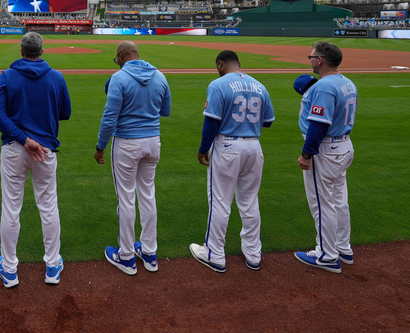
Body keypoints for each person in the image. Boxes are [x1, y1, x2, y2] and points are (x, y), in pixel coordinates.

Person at [0, 32, 72, 287]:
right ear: (42, 50)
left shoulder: (6, 76)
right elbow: (65, 113)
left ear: (21, 50)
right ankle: (52, 266)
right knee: (48, 206)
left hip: (15, 147)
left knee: (11, 207)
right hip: (45, 150)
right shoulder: (56, 77)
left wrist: (24, 139)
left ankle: (9, 269)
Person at [189, 50, 275, 273]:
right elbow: (267, 122)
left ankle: (215, 253)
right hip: (254, 147)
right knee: (249, 201)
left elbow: (211, 122)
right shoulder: (259, 85)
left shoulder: (218, 85)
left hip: (227, 146)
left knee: (220, 202)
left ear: (220, 64)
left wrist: (203, 149)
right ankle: (253, 253)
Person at [95, 41, 171, 275]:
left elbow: (110, 117)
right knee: (147, 194)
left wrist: (100, 146)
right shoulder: (159, 75)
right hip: (153, 140)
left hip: (127, 142)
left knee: (126, 198)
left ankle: (126, 255)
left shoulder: (119, 78)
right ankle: (149, 251)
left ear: (120, 55)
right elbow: (165, 111)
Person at [294, 41, 358, 273]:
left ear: (320, 60)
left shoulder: (323, 87)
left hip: (326, 150)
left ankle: (327, 255)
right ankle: (343, 248)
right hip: (344, 147)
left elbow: (319, 125)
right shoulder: (348, 83)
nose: (310, 60)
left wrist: (307, 154)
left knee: (323, 204)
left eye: (311, 56)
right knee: (339, 200)